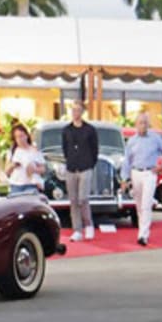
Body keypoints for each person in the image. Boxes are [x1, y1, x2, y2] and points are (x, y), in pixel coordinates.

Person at [122, 111, 162, 246]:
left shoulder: (155, 139)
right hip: (135, 173)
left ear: (148, 124)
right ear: (136, 125)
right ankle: (142, 229)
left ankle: (143, 235)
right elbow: (127, 161)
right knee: (139, 205)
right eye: (140, 123)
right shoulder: (132, 141)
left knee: (146, 204)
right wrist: (124, 179)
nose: (143, 126)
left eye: (145, 123)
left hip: (150, 173)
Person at [61, 101, 99, 242]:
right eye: (73, 110)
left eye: (78, 110)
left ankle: (88, 224)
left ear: (82, 112)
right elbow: (65, 148)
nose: (75, 113)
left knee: (83, 198)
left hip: (85, 167)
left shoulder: (90, 130)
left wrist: (90, 163)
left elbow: (95, 149)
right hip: (71, 168)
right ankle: (77, 229)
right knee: (73, 200)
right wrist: (70, 160)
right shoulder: (66, 130)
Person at [4, 122, 46, 197]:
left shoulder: (34, 150)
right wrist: (13, 165)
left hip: (31, 185)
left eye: (22, 136)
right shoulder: (12, 151)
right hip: (16, 185)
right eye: (17, 137)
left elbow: (43, 169)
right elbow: (6, 171)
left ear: (26, 135)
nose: (20, 139)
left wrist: (34, 169)